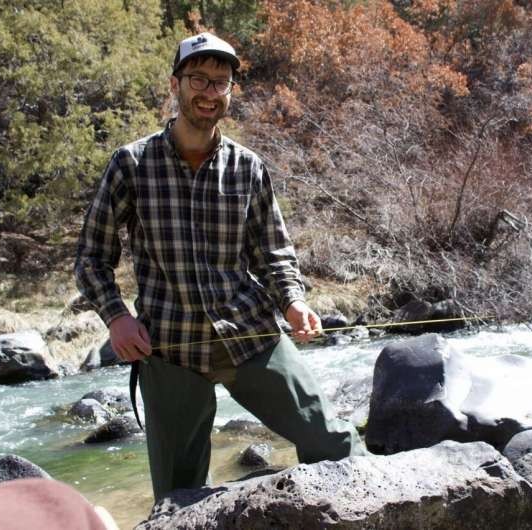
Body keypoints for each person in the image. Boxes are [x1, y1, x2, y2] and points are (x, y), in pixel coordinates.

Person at [75, 32, 365, 502]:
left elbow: (272, 252)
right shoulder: (131, 164)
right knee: (177, 496)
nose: (209, 92)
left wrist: (292, 302)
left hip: (249, 334)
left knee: (334, 444)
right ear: (176, 84)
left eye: (221, 82)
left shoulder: (248, 168)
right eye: (199, 79)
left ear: (230, 92)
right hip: (169, 348)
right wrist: (116, 316)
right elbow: (91, 257)